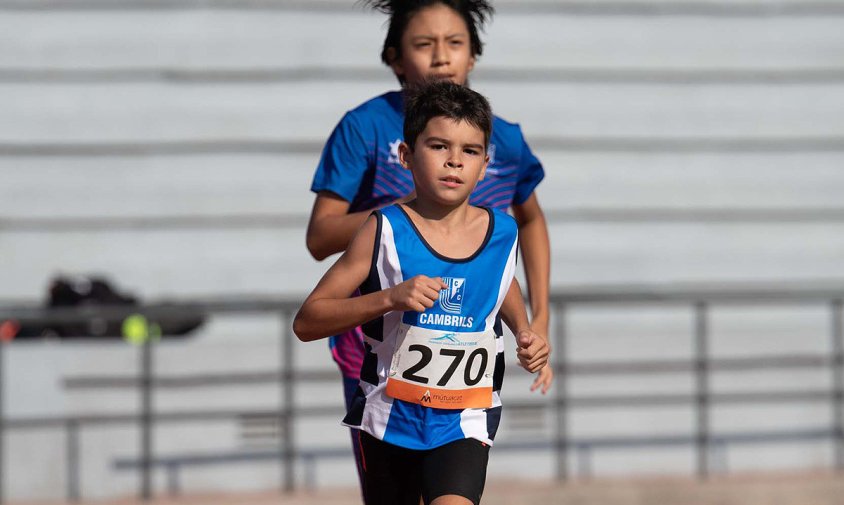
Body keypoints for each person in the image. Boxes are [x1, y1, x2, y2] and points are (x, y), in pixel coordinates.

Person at [306, 0, 553, 494]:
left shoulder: (501, 137)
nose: (441, 57)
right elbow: (320, 237)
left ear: (474, 57)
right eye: (424, 44)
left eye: (455, 43)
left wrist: (535, 321)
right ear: (396, 57)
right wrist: (412, 211)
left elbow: (527, 224)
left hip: (464, 377)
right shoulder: (366, 127)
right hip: (377, 348)